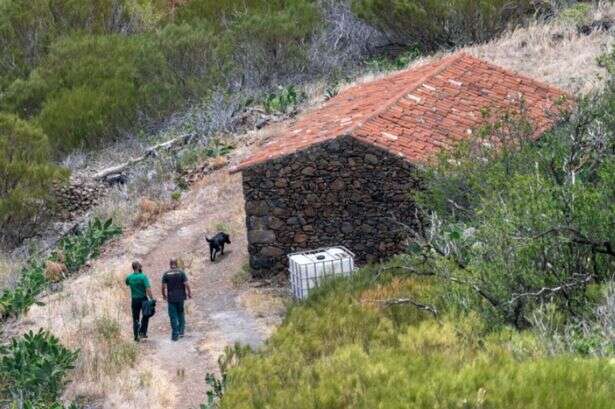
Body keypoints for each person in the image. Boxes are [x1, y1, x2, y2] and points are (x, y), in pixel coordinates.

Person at [162, 258, 191, 341]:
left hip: (171, 298)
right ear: (177, 264)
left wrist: (164, 295)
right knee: (181, 314)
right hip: (181, 297)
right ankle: (181, 332)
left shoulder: (166, 274)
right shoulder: (181, 272)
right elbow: (186, 284)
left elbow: (163, 287)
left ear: (170, 264)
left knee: (173, 316)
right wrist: (189, 293)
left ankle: (175, 335)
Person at [125, 261, 153, 342]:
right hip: (143, 298)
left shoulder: (129, 277)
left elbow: (127, 283)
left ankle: (136, 336)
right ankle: (143, 332)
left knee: (135, 318)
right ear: (138, 267)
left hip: (134, 299)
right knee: (146, 315)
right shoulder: (143, 277)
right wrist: (151, 298)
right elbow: (148, 289)